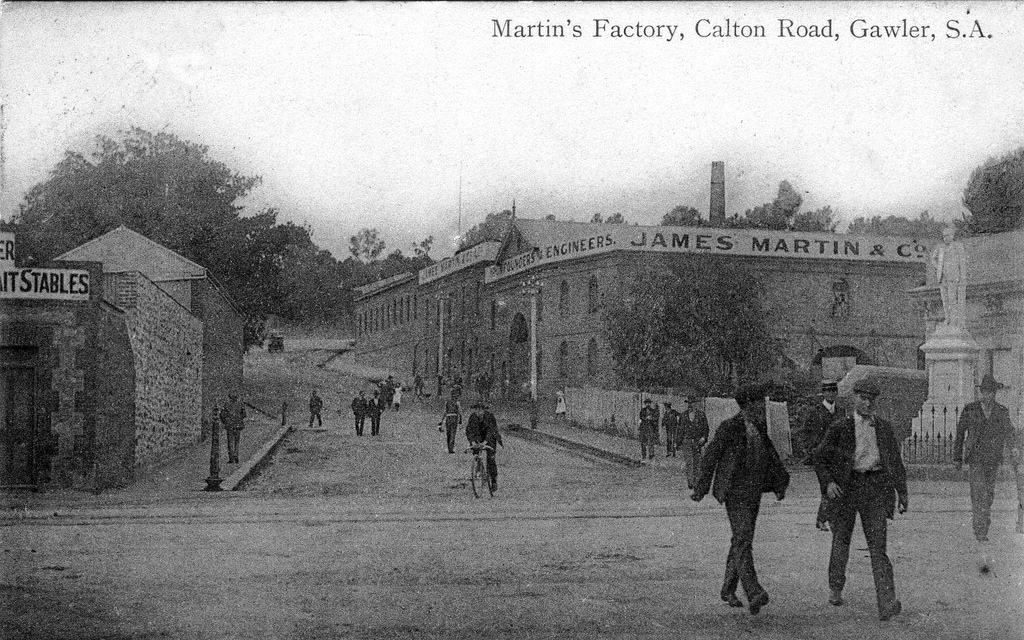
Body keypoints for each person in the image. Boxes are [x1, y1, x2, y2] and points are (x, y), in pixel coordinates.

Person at [811, 379, 907, 621]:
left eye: (871, 399)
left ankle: (887, 601)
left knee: (878, 547)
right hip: (847, 488)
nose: (867, 403)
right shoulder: (840, 427)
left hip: (875, 489)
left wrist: (902, 492)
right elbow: (819, 457)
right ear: (854, 398)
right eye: (863, 398)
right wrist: (828, 483)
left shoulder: (884, 428)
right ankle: (835, 587)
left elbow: (895, 462)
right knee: (841, 540)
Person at [691, 383, 789, 615]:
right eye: (759, 403)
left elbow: (771, 456)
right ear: (748, 405)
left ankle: (728, 589)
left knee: (741, 539)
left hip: (753, 491)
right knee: (743, 538)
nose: (762, 407)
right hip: (734, 492)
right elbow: (711, 456)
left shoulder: (759, 426)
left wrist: (780, 484)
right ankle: (754, 591)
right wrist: (701, 488)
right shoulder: (729, 427)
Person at [953, 373, 1015, 542]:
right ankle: (980, 529)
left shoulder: (1001, 411)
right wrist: (957, 457)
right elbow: (960, 433)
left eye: (991, 392)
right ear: (982, 393)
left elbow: (1009, 433)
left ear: (995, 393)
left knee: (988, 494)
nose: (988, 395)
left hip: (993, 459)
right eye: (986, 392)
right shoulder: (970, 409)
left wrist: (1013, 451)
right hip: (976, 459)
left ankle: (983, 523)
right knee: (978, 492)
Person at [797, 381, 840, 531]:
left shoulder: (841, 411)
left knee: (835, 486)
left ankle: (823, 519)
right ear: (823, 393)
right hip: (820, 457)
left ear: (836, 392)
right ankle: (827, 520)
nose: (831, 394)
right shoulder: (814, 412)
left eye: (833, 391)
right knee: (826, 486)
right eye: (828, 391)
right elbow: (804, 433)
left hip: (837, 457)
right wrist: (810, 450)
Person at [930, 224, 967, 330]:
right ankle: (947, 319)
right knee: (945, 300)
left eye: (948, 235)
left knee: (952, 299)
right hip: (942, 276)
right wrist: (938, 267)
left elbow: (962, 262)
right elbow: (933, 258)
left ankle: (954, 320)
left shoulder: (958, 246)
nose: (946, 238)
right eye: (944, 236)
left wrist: (962, 277)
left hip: (954, 275)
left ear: (952, 236)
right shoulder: (940, 247)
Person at [466, 402, 504, 492]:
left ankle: (494, 480)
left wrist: (485, 442)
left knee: (491, 459)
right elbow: (469, 430)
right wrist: (472, 442)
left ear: (484, 410)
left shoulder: (490, 416)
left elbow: (491, 430)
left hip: (490, 437)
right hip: (479, 436)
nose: (478, 412)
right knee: (475, 449)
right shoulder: (472, 417)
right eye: (477, 409)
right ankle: (478, 465)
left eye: (481, 410)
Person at [679, 395, 710, 488]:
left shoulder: (701, 415)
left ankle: (696, 482)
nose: (690, 405)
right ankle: (690, 482)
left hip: (697, 442)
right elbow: (680, 430)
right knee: (689, 462)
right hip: (687, 441)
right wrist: (678, 442)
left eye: (692, 403)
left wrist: (704, 438)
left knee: (697, 463)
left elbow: (706, 428)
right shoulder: (683, 415)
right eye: (689, 403)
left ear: (696, 404)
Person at [220, 393, 247, 464]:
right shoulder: (241, 404)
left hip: (229, 425)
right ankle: (236, 455)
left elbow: (222, 415)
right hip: (237, 425)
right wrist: (239, 418)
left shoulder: (226, 404)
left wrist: (225, 421)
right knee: (237, 441)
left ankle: (231, 458)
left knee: (230, 442)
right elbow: (244, 414)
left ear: (230, 397)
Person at [638, 396, 660, 463]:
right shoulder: (643, 410)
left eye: (648, 403)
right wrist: (646, 418)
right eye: (646, 403)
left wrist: (651, 418)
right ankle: (644, 456)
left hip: (650, 428)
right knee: (643, 442)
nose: (647, 404)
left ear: (650, 404)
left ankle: (651, 456)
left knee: (650, 443)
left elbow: (655, 419)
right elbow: (641, 417)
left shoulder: (653, 411)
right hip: (643, 428)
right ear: (645, 404)